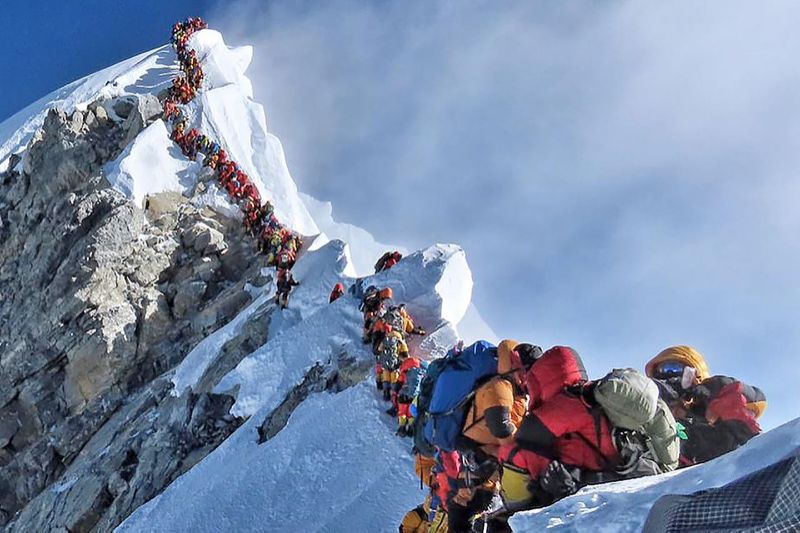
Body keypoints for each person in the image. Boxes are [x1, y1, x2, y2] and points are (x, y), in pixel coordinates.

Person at [498, 346, 619, 511]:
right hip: (599, 470)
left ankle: (514, 510)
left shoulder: (568, 401)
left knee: (513, 451)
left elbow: (527, 434)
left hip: (594, 478)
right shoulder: (584, 395)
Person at [645, 345, 766, 465]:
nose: (667, 375)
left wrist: (717, 389)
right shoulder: (652, 416)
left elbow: (758, 400)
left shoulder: (710, 406)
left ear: (694, 373)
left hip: (733, 470)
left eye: (673, 368)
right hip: (674, 477)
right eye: (661, 371)